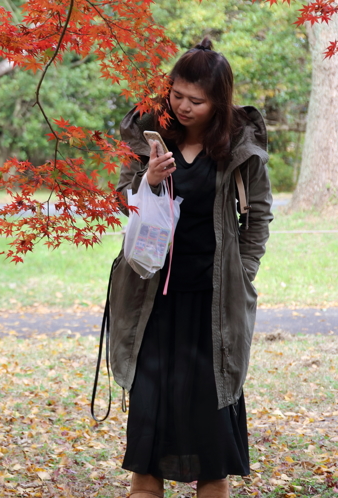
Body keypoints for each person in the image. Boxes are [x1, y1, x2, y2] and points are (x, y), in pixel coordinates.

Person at [109, 40, 273, 498]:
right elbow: (123, 198)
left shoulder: (239, 148)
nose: (182, 106)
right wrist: (150, 180)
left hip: (212, 309)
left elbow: (257, 217)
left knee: (212, 447)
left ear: (218, 102)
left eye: (195, 101)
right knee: (147, 443)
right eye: (176, 95)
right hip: (152, 307)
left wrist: (243, 273)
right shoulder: (150, 136)